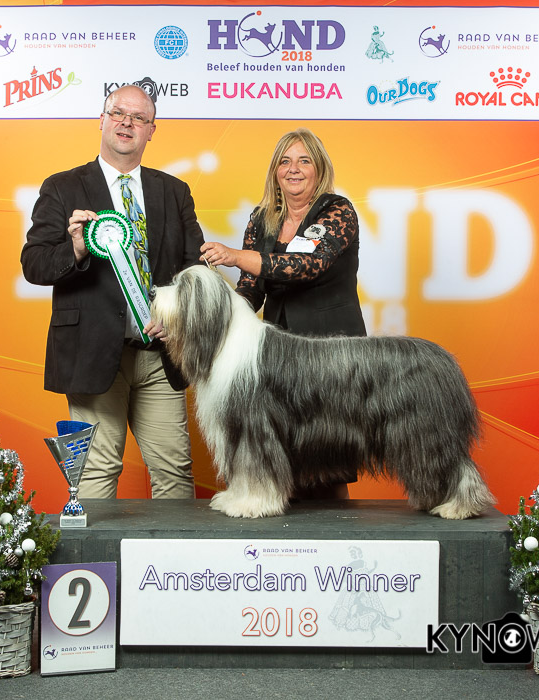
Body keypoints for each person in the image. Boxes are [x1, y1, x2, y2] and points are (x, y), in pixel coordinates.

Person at [21, 85, 204, 499]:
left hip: (160, 352)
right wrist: (77, 246)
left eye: (139, 118)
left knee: (175, 471)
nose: (127, 122)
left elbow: (195, 268)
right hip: (91, 352)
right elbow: (34, 264)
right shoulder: (62, 186)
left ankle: (175, 548)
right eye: (118, 112)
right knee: (97, 471)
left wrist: (177, 317)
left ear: (151, 130)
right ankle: (96, 546)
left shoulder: (174, 191)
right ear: (101, 120)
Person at [200, 128, 366, 498]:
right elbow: (250, 289)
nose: (294, 169)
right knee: (279, 452)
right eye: (285, 161)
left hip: (330, 351)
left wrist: (236, 256)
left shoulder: (337, 211)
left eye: (304, 161)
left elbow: (306, 266)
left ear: (319, 169)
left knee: (327, 458)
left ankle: (334, 526)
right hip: (276, 357)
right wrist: (213, 319)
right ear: (275, 170)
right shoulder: (261, 219)